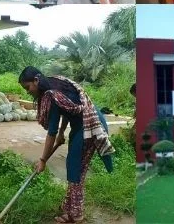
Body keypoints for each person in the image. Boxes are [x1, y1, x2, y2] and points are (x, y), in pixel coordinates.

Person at [18, 67, 114, 224]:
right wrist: (63, 132)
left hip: (88, 126)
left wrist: (42, 160)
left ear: (36, 81)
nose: (28, 91)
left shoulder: (52, 95)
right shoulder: (54, 83)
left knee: (76, 170)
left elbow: (51, 133)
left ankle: (76, 214)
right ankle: (70, 207)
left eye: (28, 87)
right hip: (86, 122)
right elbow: (69, 108)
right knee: (74, 167)